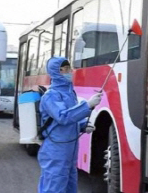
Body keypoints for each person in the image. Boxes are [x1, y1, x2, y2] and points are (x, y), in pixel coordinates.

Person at [37, 56, 102, 193]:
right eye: (66, 69)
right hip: (56, 151)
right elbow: (63, 117)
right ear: (56, 71)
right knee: (54, 188)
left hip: (68, 151)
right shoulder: (51, 95)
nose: (70, 72)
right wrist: (87, 105)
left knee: (69, 187)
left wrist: (83, 125)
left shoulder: (69, 93)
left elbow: (70, 120)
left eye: (69, 69)